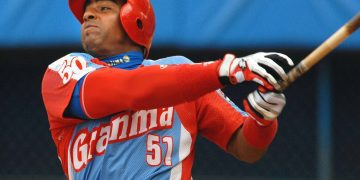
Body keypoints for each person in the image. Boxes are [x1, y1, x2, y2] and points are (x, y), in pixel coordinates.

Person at [41, 0, 294, 179]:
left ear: (135, 19)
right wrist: (228, 70)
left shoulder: (182, 73)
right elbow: (131, 89)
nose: (87, 15)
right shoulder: (65, 71)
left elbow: (245, 148)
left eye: (103, 8)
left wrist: (263, 122)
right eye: (87, 11)